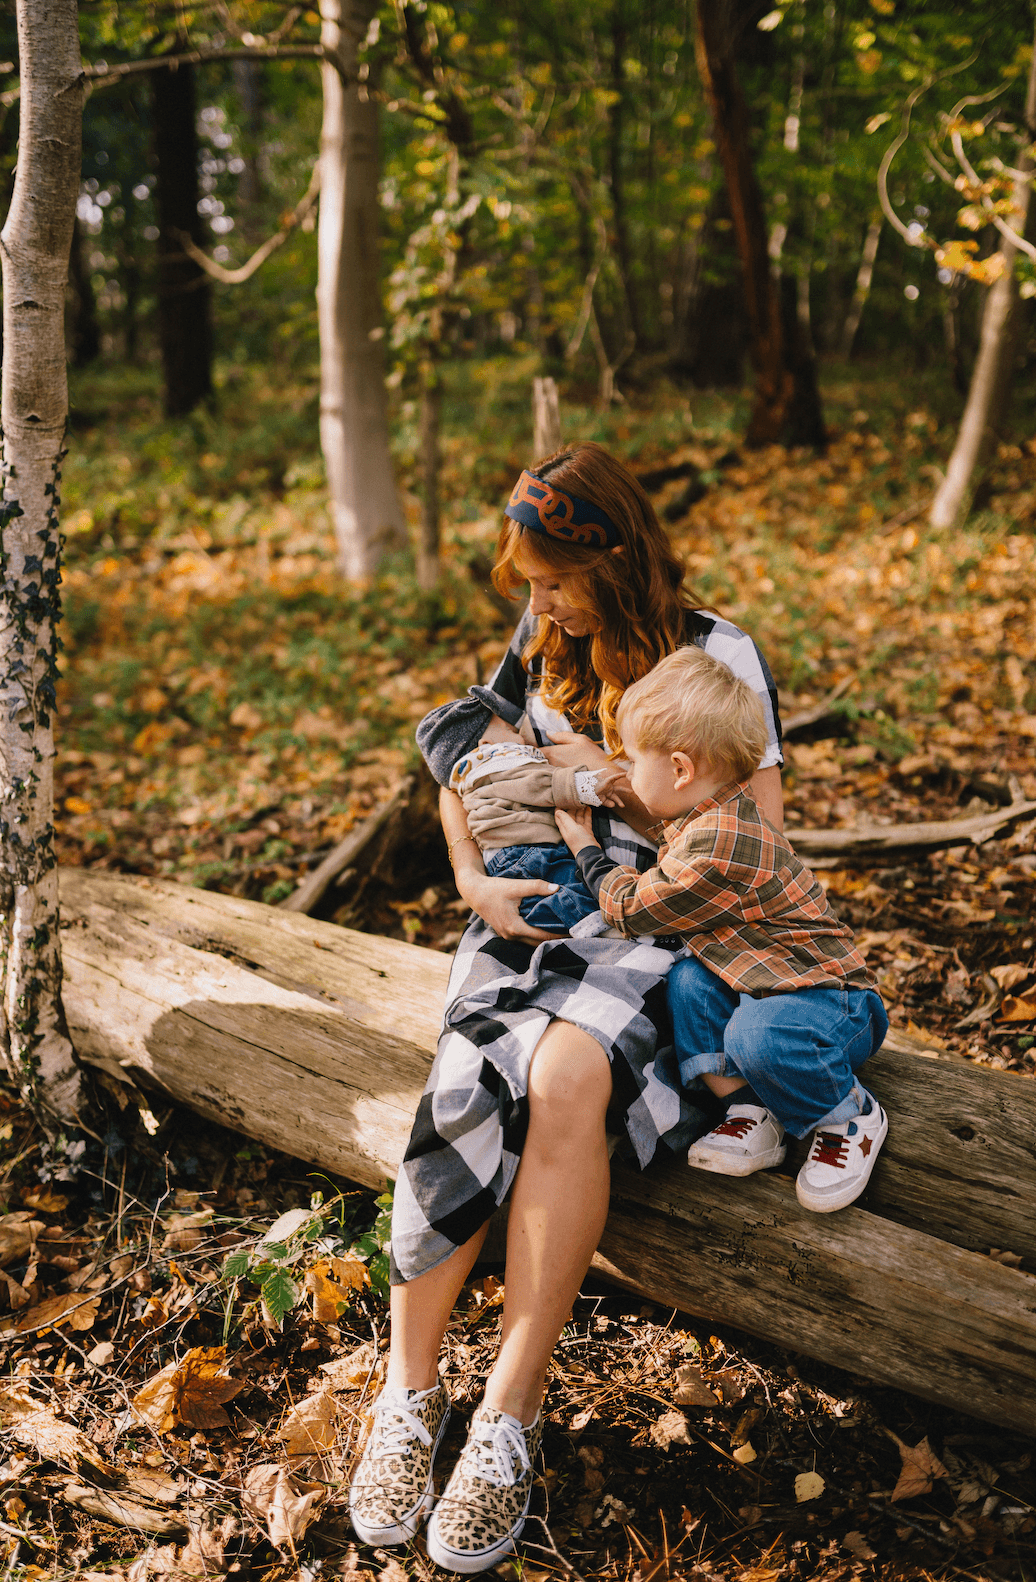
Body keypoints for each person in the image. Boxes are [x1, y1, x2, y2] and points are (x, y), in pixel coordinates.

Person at [347, 443, 785, 1574]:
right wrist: (472, 880)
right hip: (528, 909)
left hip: (659, 926)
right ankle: (410, 1394)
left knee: (566, 1077)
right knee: (462, 1084)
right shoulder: (542, 644)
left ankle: (507, 1413)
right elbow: (465, 780)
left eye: (552, 579)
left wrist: (626, 826)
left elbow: (761, 842)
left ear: (613, 556)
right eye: (529, 584)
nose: (535, 602)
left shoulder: (715, 655)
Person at [554, 644, 889, 1215]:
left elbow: (633, 908)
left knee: (754, 1034)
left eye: (633, 762)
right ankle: (752, 1109)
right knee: (688, 982)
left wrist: (587, 851)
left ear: (681, 769)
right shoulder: (701, 816)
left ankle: (848, 1116)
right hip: (763, 985)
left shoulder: (723, 840)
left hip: (831, 1004)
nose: (628, 774)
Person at [447, 690, 625, 934]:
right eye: (512, 731)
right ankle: (605, 934)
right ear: (485, 746)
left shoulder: (476, 775)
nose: (521, 735)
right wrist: (585, 785)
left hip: (517, 853)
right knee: (565, 888)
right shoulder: (497, 763)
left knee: (550, 895)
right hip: (526, 850)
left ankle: (588, 932)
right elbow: (532, 784)